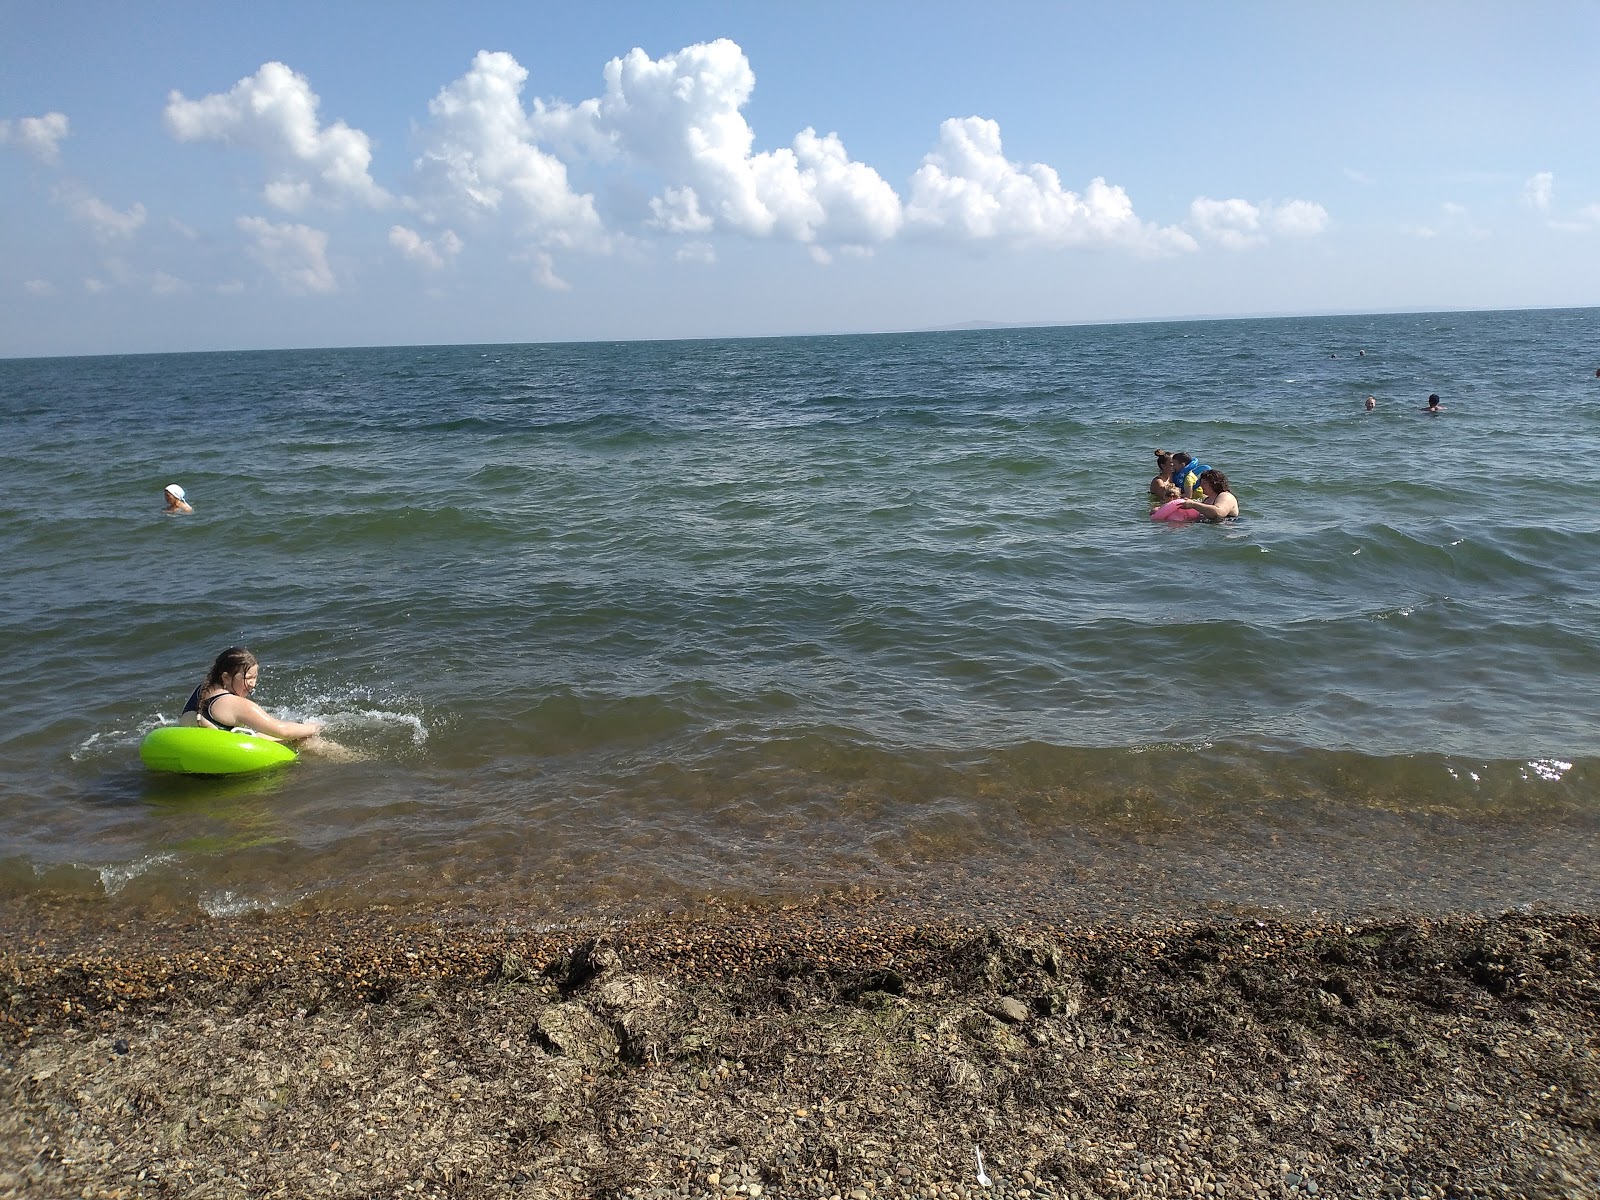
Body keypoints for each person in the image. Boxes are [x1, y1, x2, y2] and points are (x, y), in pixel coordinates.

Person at [179, 646, 323, 743]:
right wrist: (313, 727)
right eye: (248, 678)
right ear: (226, 678)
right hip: (221, 760)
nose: (253, 684)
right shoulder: (233, 704)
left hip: (193, 749)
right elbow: (282, 731)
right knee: (304, 740)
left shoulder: (200, 689)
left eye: (255, 677)